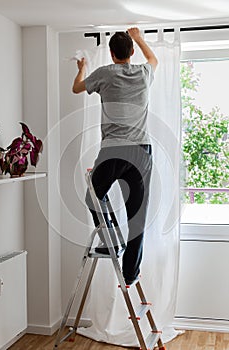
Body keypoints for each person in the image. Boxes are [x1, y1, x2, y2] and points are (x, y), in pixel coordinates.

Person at [72, 27, 158, 285]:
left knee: (93, 197)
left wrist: (82, 67)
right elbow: (154, 59)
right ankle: (130, 274)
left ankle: (110, 239)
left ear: (111, 54)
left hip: (112, 150)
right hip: (141, 151)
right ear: (132, 52)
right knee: (137, 215)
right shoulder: (144, 74)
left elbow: (77, 88)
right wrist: (139, 37)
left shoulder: (105, 74)